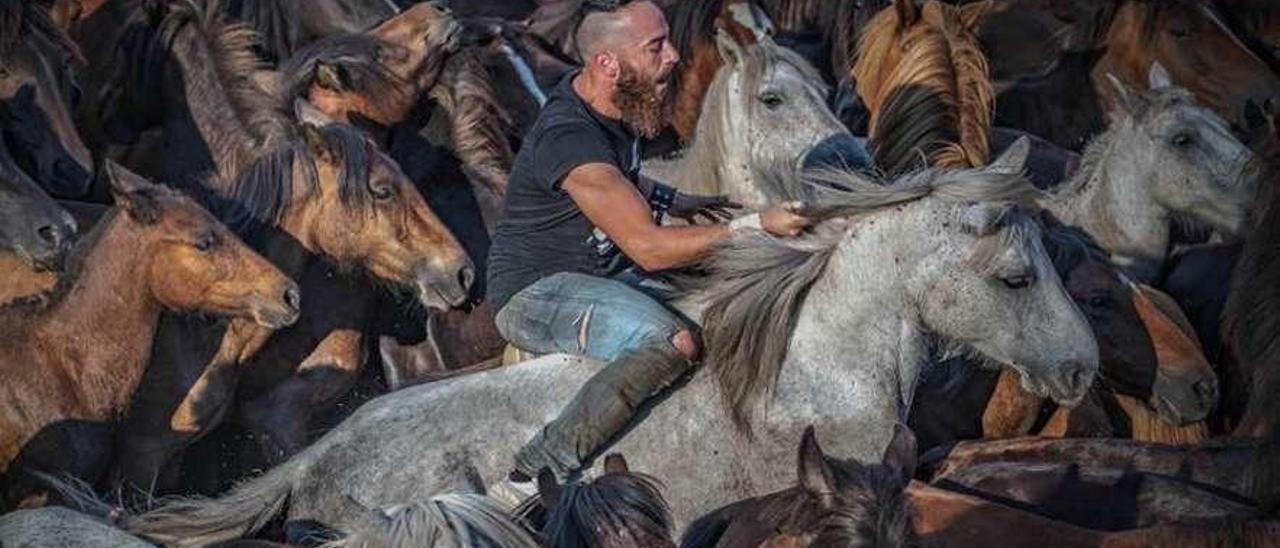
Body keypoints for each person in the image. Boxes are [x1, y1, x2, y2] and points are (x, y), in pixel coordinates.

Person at [486, 0, 813, 485]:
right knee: (671, 341)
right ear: (607, 63)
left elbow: (622, 178)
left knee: (733, 273)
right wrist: (756, 226)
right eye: (656, 46)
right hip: (536, 292)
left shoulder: (612, 103)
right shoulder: (569, 137)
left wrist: (675, 199)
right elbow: (650, 248)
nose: (675, 56)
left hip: (597, 271)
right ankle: (533, 473)